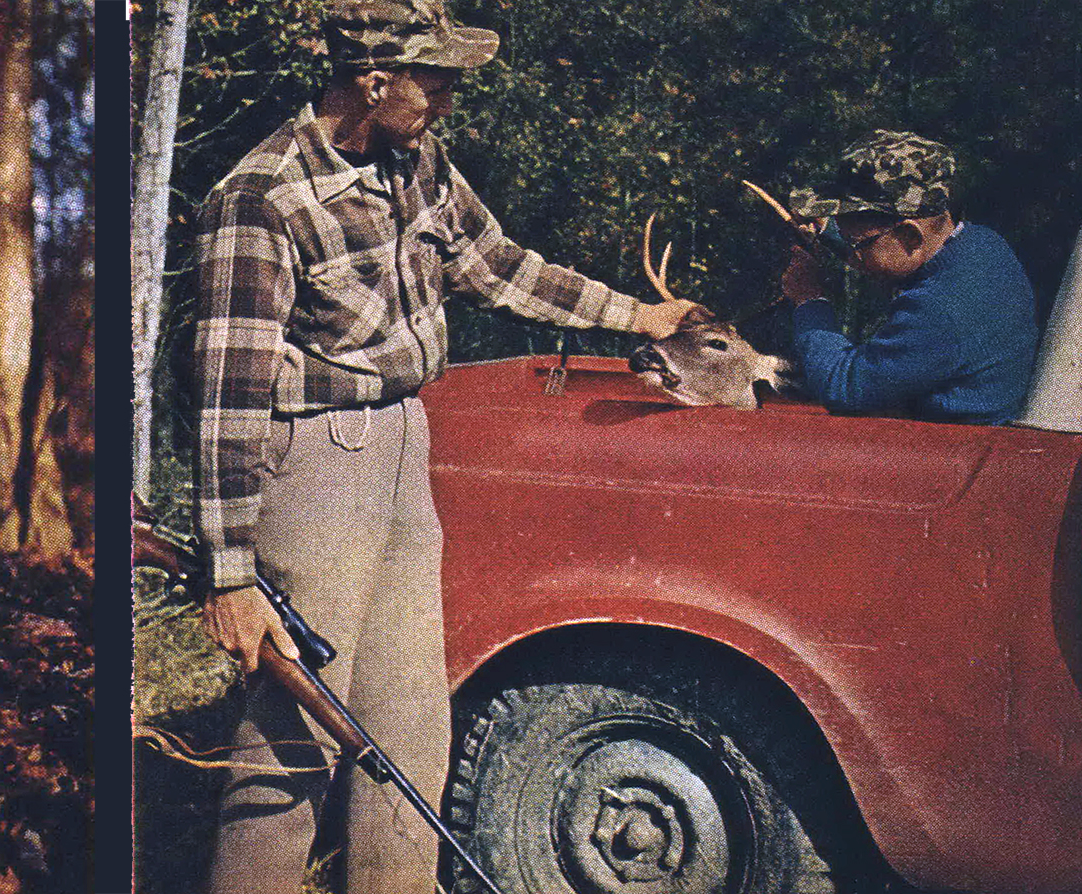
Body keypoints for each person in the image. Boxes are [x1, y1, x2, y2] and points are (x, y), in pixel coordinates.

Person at [187, 2, 701, 890]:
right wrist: (229, 572)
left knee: (412, 734)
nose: (451, 98)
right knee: (297, 735)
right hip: (317, 463)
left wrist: (634, 316)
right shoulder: (260, 197)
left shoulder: (415, 158)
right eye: (437, 79)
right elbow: (227, 397)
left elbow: (498, 265)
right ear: (374, 79)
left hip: (403, 445)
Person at [779, 130, 1040, 424]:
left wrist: (809, 300)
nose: (854, 253)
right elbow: (895, 258)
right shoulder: (982, 245)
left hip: (950, 449)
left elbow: (845, 389)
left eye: (856, 243)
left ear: (910, 234)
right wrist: (830, 234)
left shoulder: (939, 310)